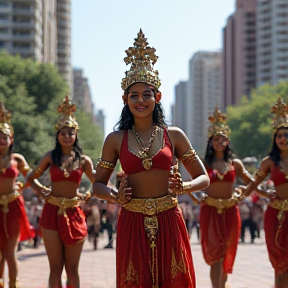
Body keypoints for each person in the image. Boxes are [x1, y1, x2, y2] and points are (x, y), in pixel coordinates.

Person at [93, 29, 210, 288]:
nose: (141, 100)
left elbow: (204, 178)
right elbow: (97, 185)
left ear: (157, 97)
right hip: (131, 220)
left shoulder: (175, 135)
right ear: (125, 100)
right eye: (134, 96)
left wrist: (186, 187)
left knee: (175, 280)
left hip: (169, 216)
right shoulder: (115, 139)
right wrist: (115, 195)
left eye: (147, 94)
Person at [27, 96, 94, 288]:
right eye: (63, 133)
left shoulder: (84, 160)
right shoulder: (49, 157)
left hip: (74, 214)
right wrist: (42, 192)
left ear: (76, 136)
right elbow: (32, 178)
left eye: (70, 133)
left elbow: (97, 182)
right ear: (57, 135)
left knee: (72, 269)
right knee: (55, 267)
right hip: (51, 213)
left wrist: (87, 195)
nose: (66, 136)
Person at [200, 106, 254, 288]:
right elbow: (190, 185)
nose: (220, 142)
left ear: (228, 141)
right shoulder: (204, 163)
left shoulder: (235, 164)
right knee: (215, 255)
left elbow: (253, 181)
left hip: (231, 212)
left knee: (226, 253)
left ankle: (222, 286)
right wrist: (197, 197)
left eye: (223, 139)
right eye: (216, 139)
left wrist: (243, 194)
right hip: (211, 211)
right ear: (211, 142)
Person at [243, 98, 288, 288]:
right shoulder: (269, 162)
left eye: (287, 134)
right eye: (279, 136)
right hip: (275, 215)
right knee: (279, 263)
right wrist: (242, 195)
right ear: (274, 139)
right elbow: (254, 184)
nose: (283, 138)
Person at [0, 103, 32, 288]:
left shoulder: (17, 159)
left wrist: (21, 186)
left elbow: (32, 177)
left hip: (13, 206)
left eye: (4, 137)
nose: (1, 140)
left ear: (11, 139)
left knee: (10, 252)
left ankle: (13, 284)